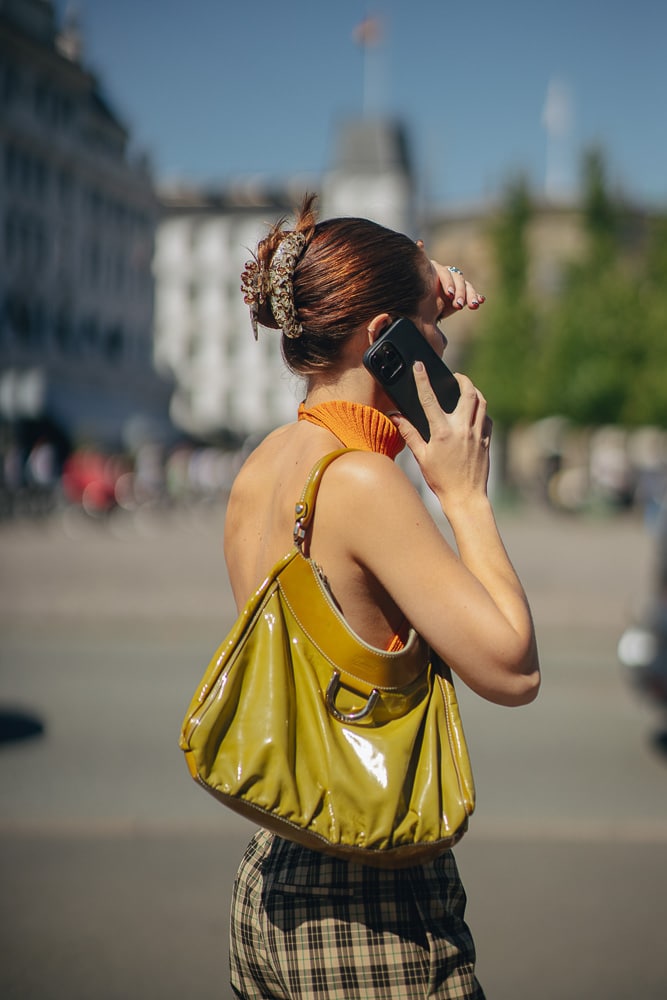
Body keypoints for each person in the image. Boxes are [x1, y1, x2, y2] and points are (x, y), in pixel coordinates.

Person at [226, 195, 540, 999]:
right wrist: (465, 495)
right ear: (385, 343)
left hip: (273, 873)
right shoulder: (362, 485)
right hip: (366, 903)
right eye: (431, 335)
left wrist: (413, 284)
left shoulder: (265, 465)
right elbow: (511, 670)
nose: (443, 352)